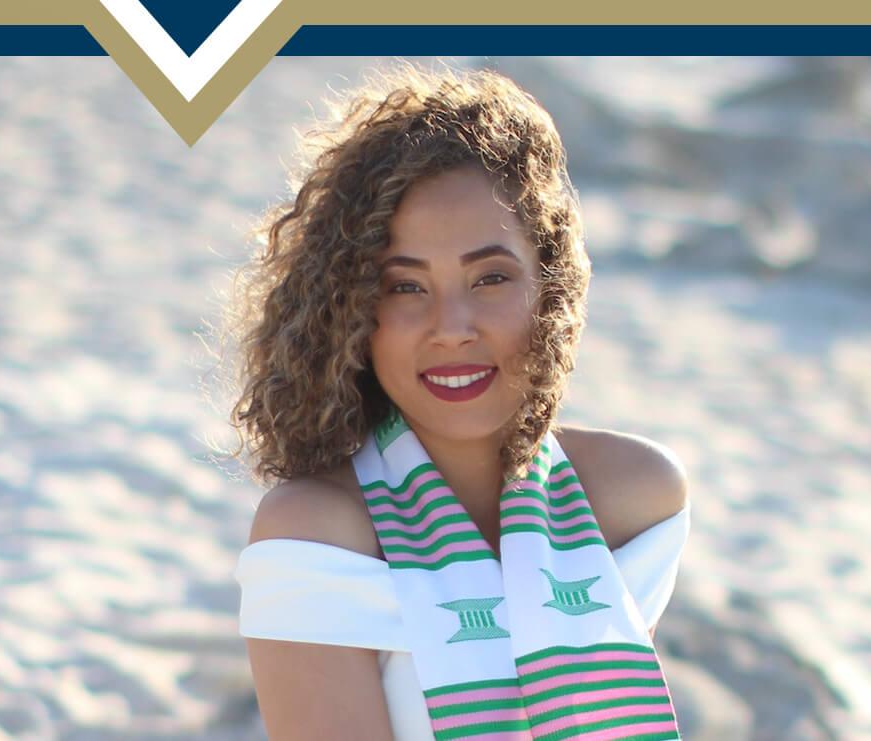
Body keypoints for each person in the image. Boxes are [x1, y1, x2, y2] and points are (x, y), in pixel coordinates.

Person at [228, 63, 691, 740]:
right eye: (406, 287)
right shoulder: (317, 536)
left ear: (550, 288)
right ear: (352, 312)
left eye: (491, 277)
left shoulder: (633, 499)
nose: (452, 325)